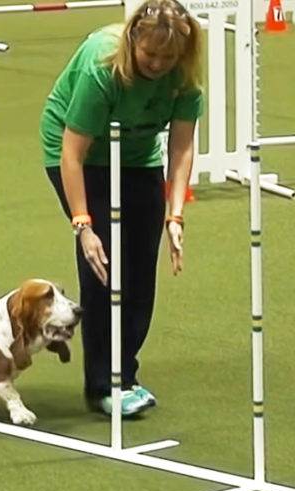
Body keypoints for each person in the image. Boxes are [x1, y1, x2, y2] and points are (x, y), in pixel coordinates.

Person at [39, 0, 204, 417]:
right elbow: (72, 154)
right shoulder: (102, 68)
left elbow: (181, 147)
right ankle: (103, 385)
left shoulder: (184, 78)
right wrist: (83, 226)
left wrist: (175, 214)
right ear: (134, 43)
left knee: (138, 272)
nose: (158, 64)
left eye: (168, 57)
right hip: (79, 154)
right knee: (103, 265)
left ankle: (125, 375)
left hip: (137, 156)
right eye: (150, 54)